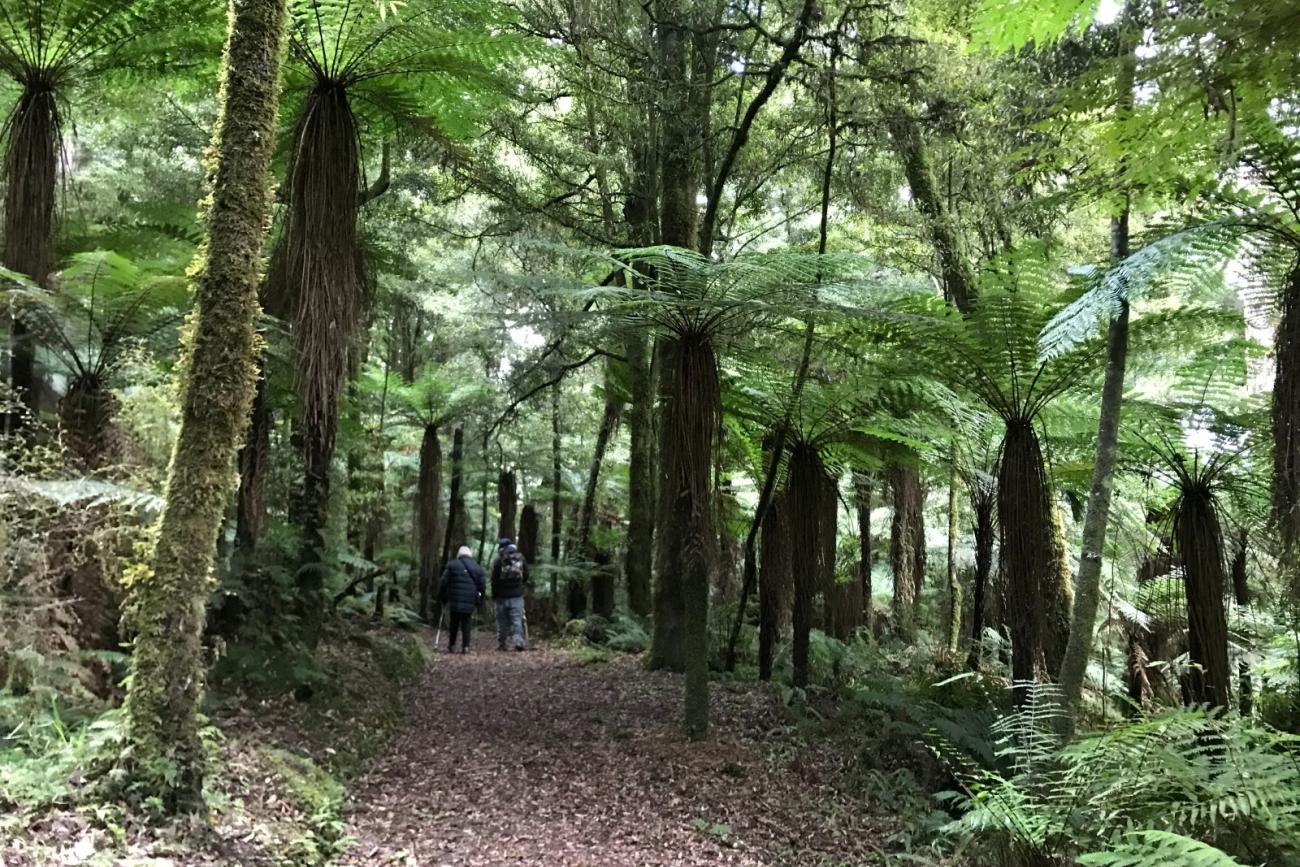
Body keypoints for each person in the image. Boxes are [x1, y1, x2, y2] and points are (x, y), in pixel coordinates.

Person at [438, 545, 485, 654]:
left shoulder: (452, 565)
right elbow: (482, 585)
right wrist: (480, 598)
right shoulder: (477, 567)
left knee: (454, 622)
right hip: (469, 600)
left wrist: (442, 597)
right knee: (466, 622)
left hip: (454, 598)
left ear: (459, 554)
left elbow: (444, 582)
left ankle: (452, 645)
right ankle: (466, 646)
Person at [491, 537, 529, 651]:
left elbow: (494, 579)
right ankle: (519, 642)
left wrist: (494, 595)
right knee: (516, 620)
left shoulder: (499, 560)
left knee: (502, 621)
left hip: (501, 596)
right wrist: (519, 586)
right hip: (517, 596)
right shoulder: (521, 558)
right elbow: (526, 575)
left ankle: (502, 643)